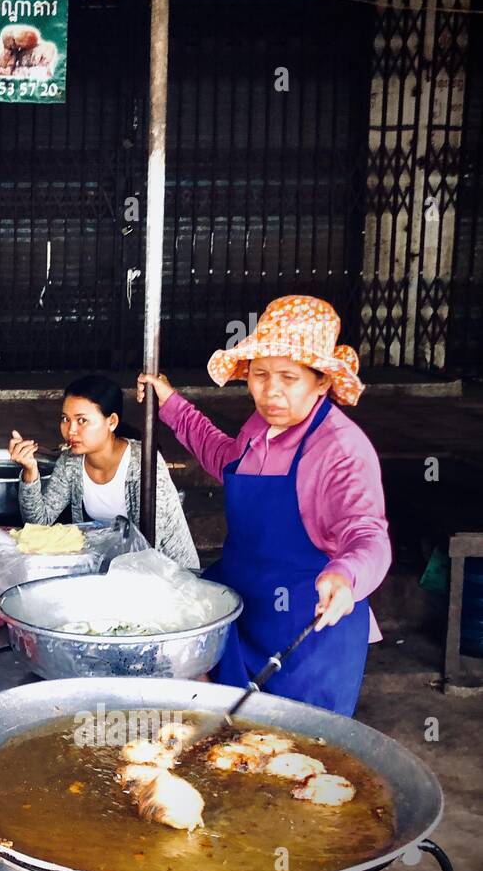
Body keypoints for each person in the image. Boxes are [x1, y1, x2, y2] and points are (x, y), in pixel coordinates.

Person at [138, 295, 392, 717]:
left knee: (291, 758)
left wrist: (346, 576)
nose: (271, 392)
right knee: (227, 749)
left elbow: (367, 534)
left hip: (306, 633)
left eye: (289, 378)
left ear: (322, 382)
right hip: (246, 612)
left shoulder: (341, 449)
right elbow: (225, 458)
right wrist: (171, 404)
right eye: (260, 375)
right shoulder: (262, 427)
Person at [9, 373, 199, 569]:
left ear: (112, 422)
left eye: (82, 420)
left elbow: (151, 547)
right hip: (111, 570)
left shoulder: (143, 464)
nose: (70, 430)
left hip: (170, 576)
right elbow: (39, 524)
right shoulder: (71, 462)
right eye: (65, 419)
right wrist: (30, 471)